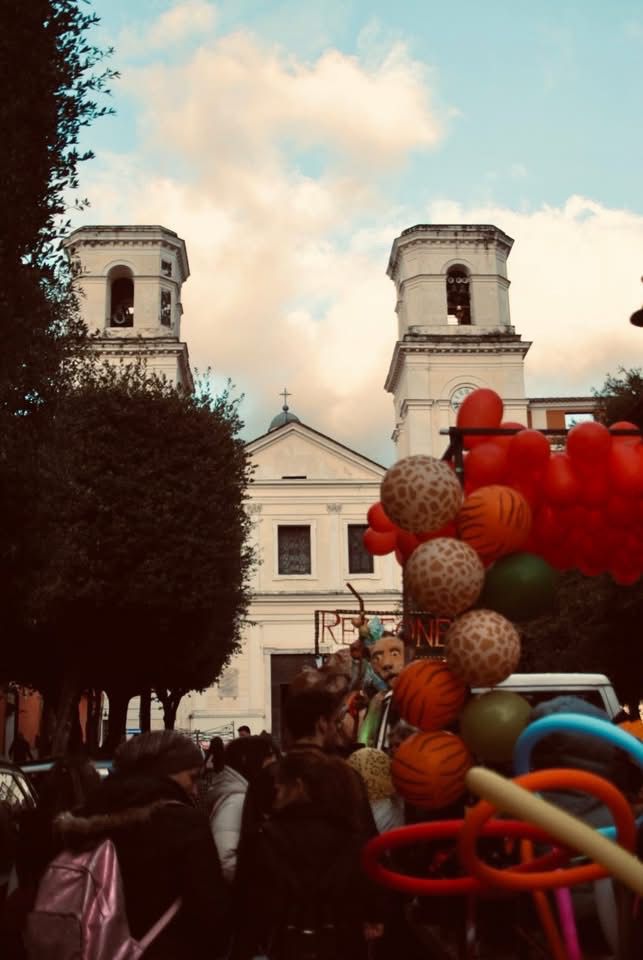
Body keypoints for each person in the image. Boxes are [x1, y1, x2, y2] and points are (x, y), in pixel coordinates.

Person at [55, 731, 228, 959]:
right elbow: (210, 911)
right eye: (192, 777)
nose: (195, 789)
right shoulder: (182, 823)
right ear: (166, 772)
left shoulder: (85, 818)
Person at [231, 750, 383, 960]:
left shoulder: (263, 837)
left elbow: (249, 907)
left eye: (280, 785)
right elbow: (370, 897)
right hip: (343, 946)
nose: (275, 791)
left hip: (284, 947)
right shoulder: (353, 837)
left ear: (299, 786)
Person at [209, 735, 276, 883]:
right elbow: (224, 859)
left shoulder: (241, 795)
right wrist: (259, 883)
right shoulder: (237, 800)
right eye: (267, 761)